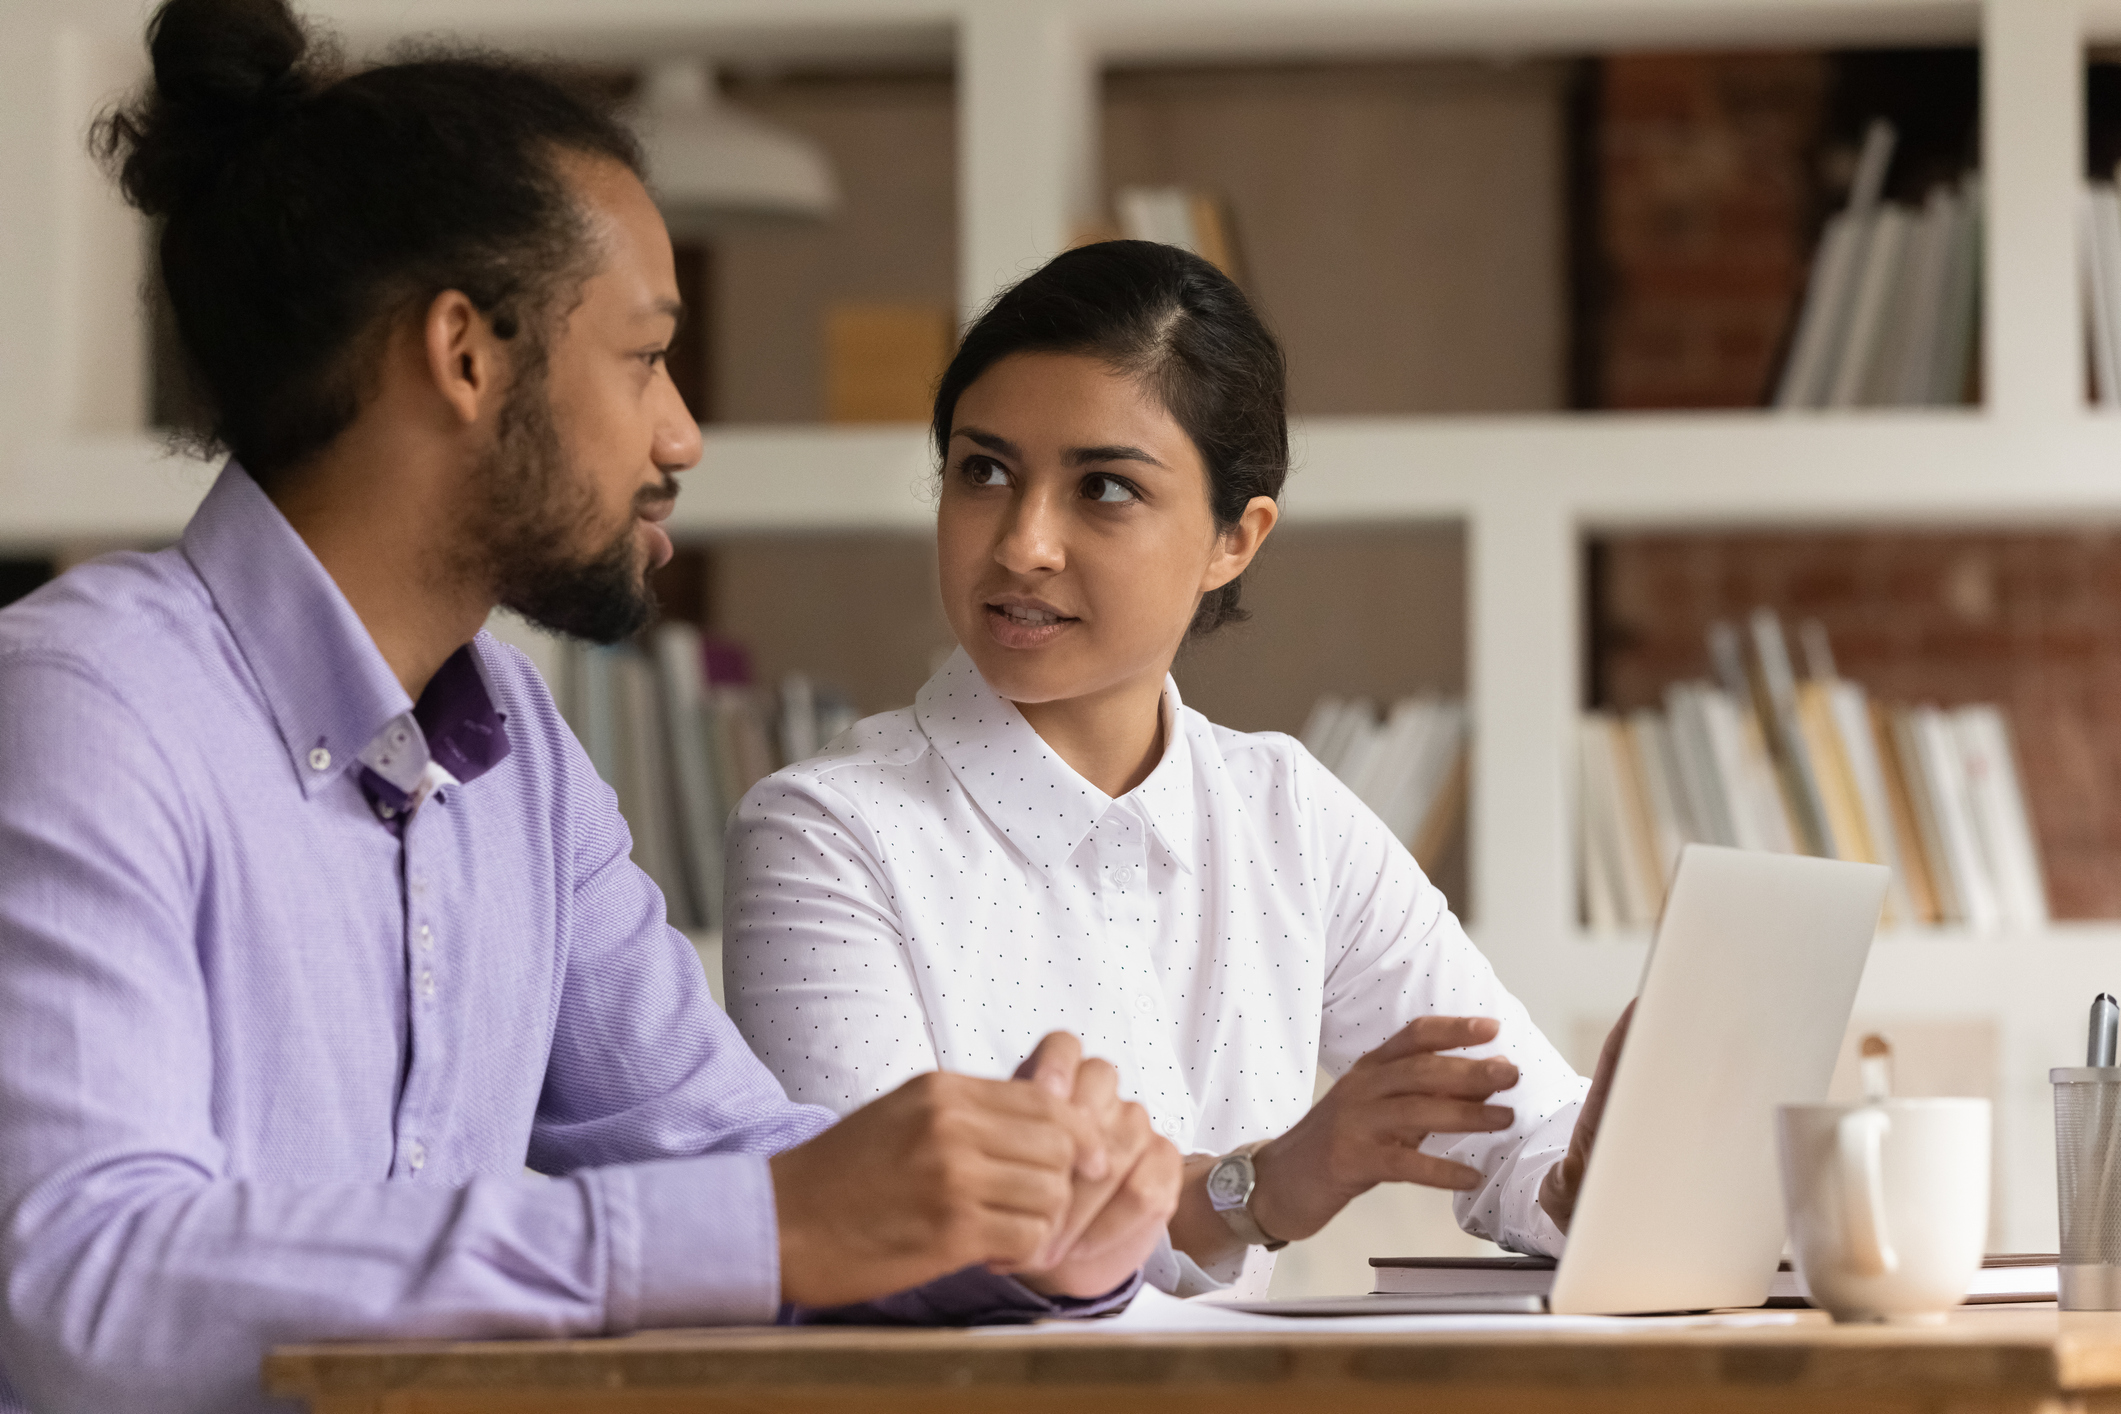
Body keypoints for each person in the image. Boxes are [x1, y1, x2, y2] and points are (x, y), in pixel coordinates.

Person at [0, 4, 1182, 1410]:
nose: (681, 434)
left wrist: (1022, 1229)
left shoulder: (519, 756)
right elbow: (83, 1282)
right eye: (643, 358)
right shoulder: (82, 705)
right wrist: (777, 1221)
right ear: (465, 354)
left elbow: (722, 1157)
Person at [724, 240, 1629, 1297]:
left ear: (1233, 541)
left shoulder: (1286, 811)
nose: (1023, 544)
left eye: (1102, 487)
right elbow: (881, 1244)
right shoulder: (826, 831)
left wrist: (1588, 1179)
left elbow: (1521, 1124)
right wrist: (1253, 1187)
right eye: (984, 471)